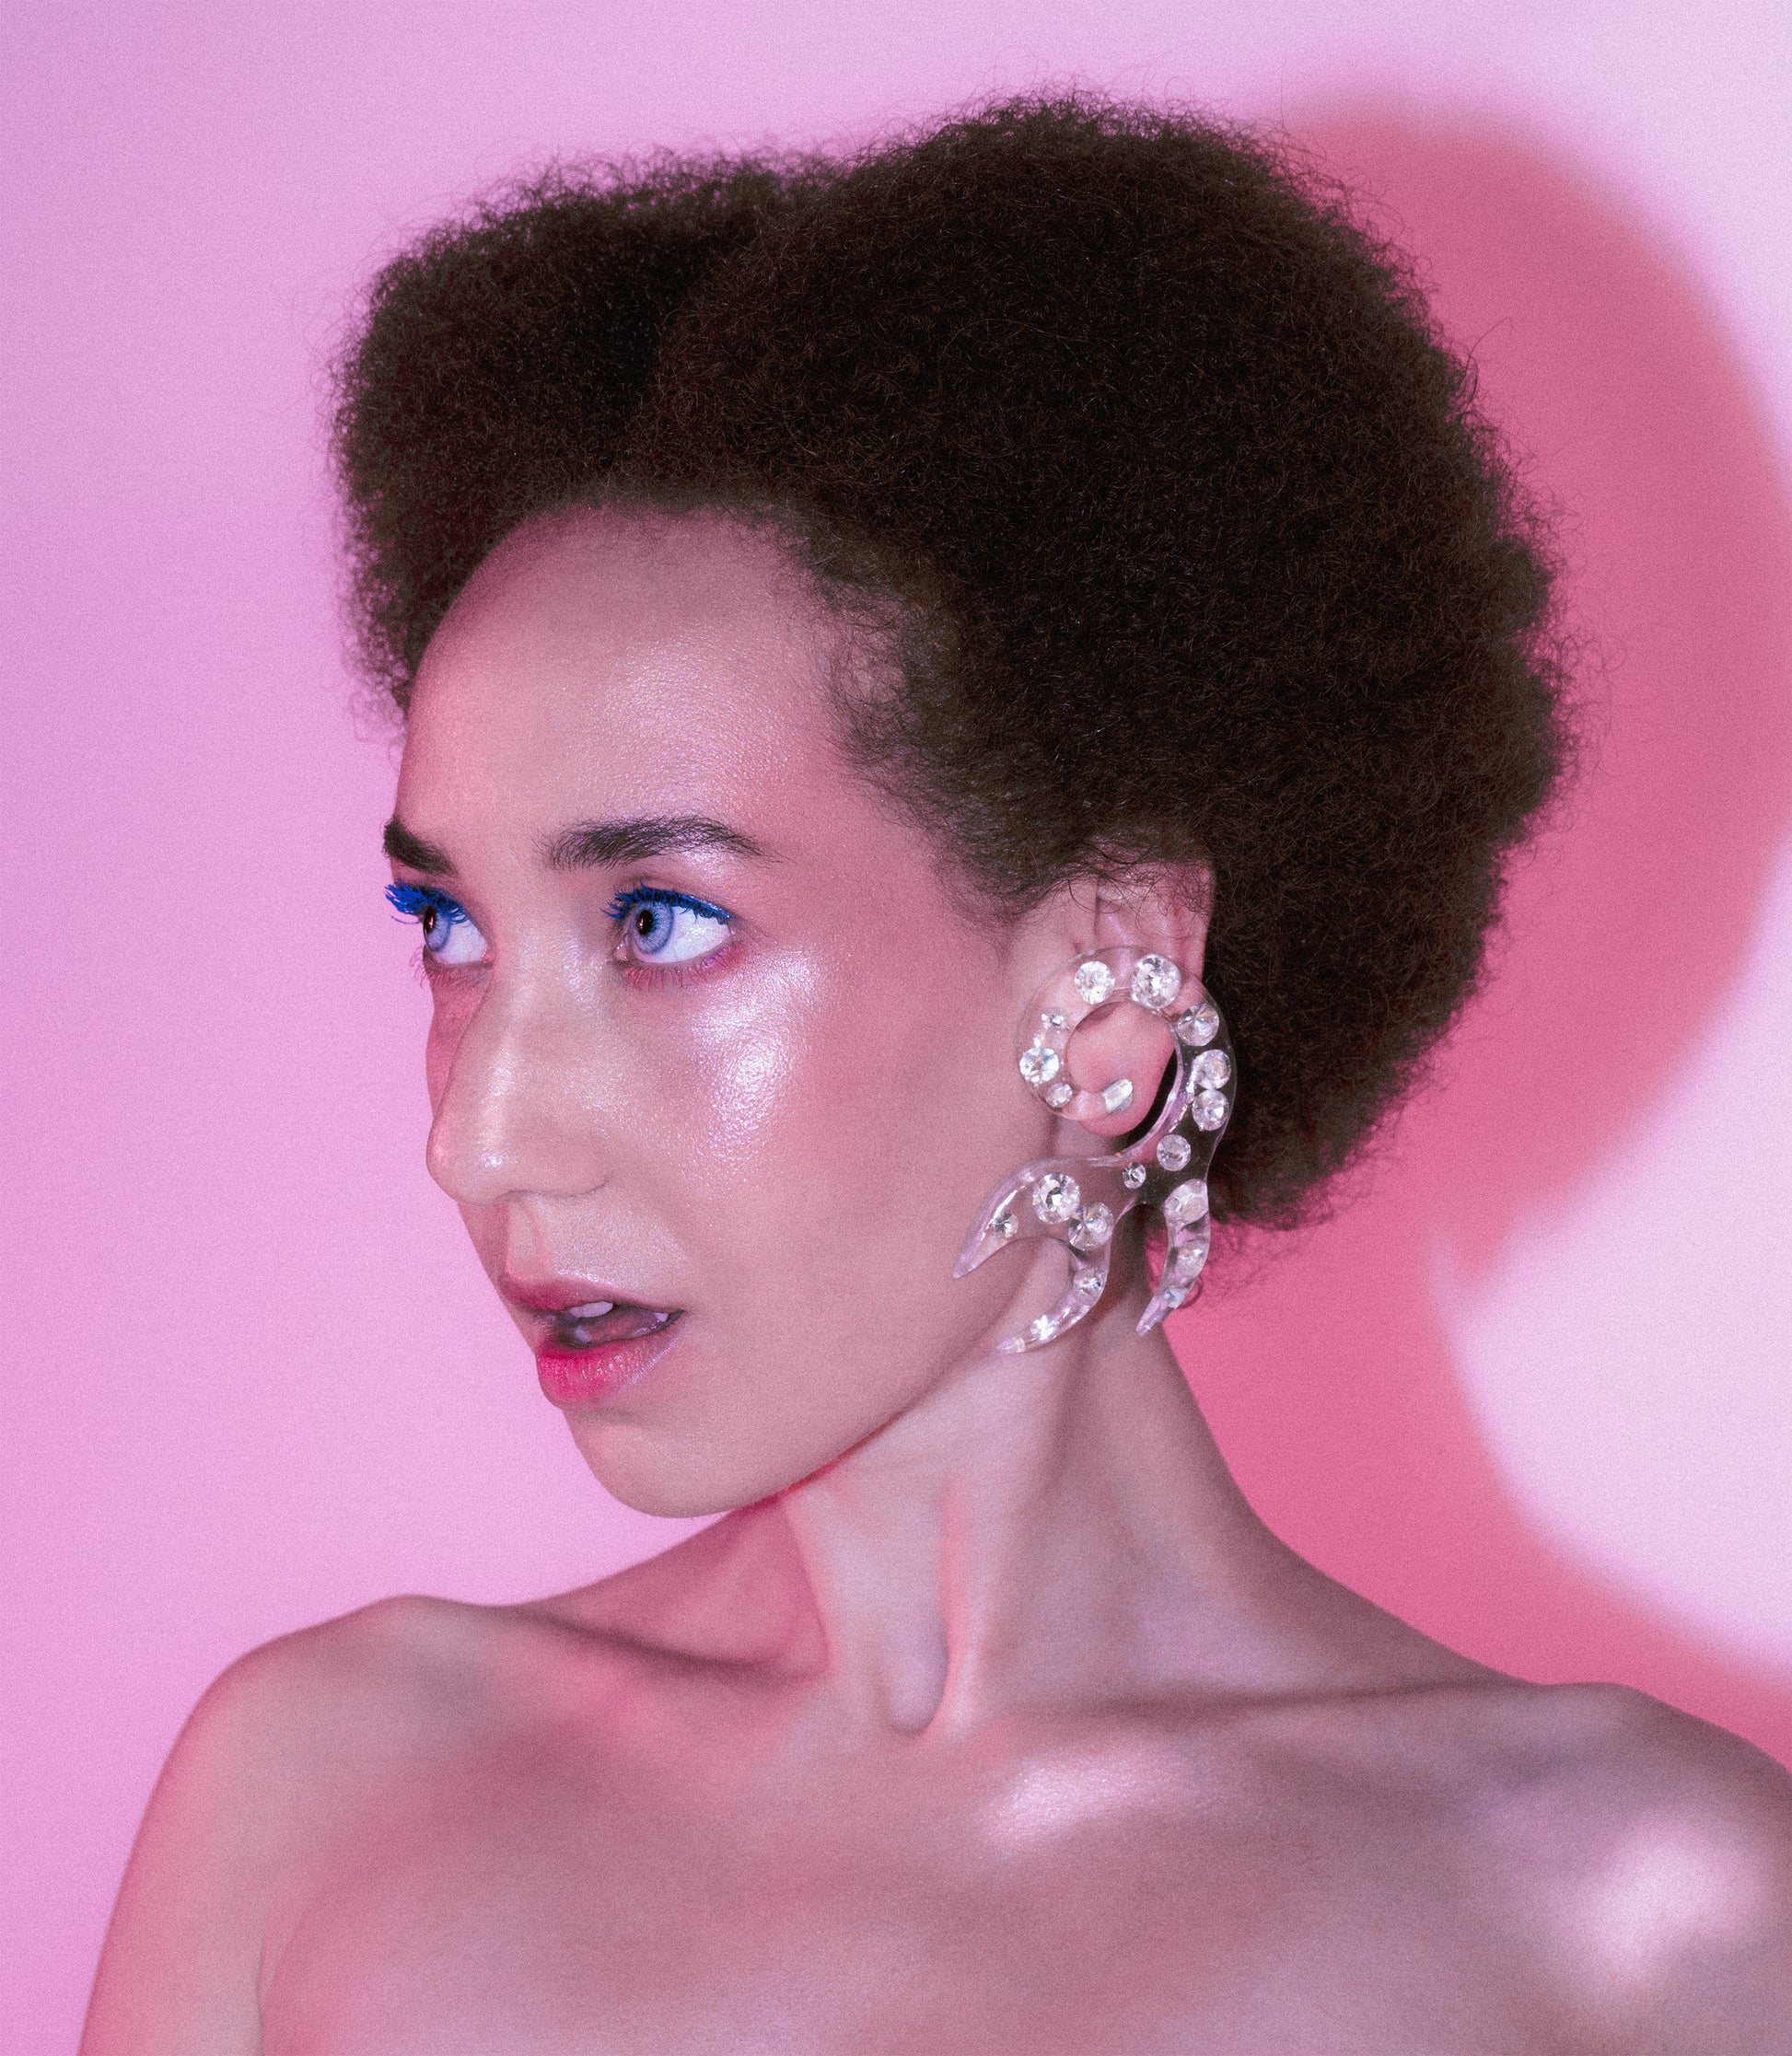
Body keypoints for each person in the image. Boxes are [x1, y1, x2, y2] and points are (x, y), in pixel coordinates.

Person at [82, 96, 1792, 2053]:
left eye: (658, 921)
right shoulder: (318, 1801)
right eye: (447, 926)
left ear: (1111, 988)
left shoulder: (1645, 1928)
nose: (477, 1135)